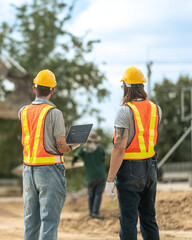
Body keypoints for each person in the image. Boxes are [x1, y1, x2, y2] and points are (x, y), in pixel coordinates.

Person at [19, 69, 78, 240]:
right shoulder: (54, 113)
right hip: (49, 170)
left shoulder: (23, 111)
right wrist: (74, 145)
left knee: (30, 220)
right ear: (52, 90)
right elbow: (60, 146)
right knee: (49, 220)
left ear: (34, 88)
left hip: (28, 170)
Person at [105, 66, 162, 240]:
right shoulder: (156, 109)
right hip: (151, 168)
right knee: (149, 218)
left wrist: (109, 180)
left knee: (128, 220)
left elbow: (119, 148)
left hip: (130, 169)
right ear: (142, 86)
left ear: (125, 87)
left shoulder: (124, 111)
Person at [72, 131, 106, 219]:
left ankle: (91, 213)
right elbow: (103, 159)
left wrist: (73, 162)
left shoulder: (84, 149)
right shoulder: (100, 148)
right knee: (98, 194)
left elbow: (75, 157)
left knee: (91, 195)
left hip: (90, 177)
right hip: (100, 175)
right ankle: (95, 213)